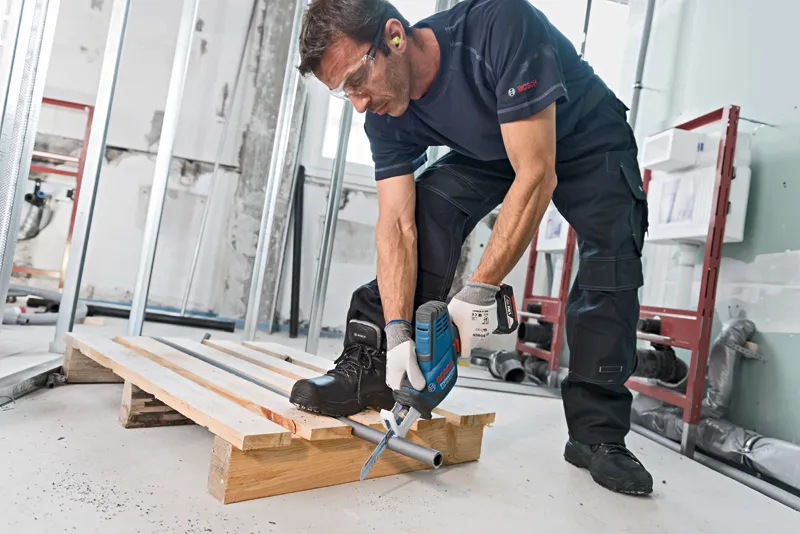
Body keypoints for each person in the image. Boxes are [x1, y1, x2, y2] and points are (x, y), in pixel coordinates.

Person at [289, 0, 653, 495]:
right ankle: (376, 367)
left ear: (394, 37)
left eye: (356, 80)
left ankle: (597, 436)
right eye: (343, 93)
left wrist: (478, 293)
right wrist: (397, 331)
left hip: (585, 134)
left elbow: (537, 172)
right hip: (493, 144)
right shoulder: (384, 112)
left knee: (611, 261)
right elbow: (396, 226)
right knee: (428, 211)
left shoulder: (499, 28)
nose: (357, 103)